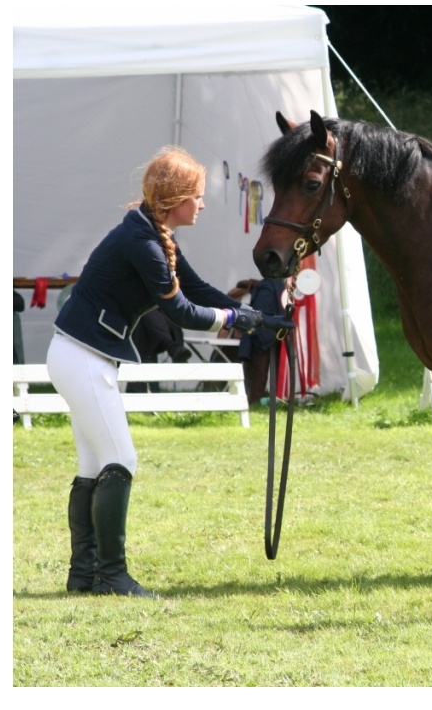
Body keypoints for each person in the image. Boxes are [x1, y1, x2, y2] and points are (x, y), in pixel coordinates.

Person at [46, 145, 295, 598]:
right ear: (176, 197)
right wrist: (239, 321)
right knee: (122, 460)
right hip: (81, 358)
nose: (201, 204)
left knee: (93, 465)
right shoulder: (143, 242)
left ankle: (84, 574)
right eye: (196, 196)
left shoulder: (151, 231)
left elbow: (197, 288)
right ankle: (113, 577)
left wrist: (251, 314)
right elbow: (180, 311)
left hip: (77, 355)